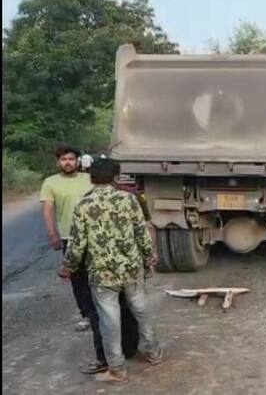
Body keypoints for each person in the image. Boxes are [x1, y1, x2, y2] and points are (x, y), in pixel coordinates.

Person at [59, 159, 163, 383]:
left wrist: (68, 268)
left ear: (91, 176)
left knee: (109, 320)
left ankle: (117, 369)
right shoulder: (129, 200)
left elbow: (77, 243)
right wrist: (150, 258)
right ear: (116, 176)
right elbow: (141, 233)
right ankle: (153, 352)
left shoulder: (83, 205)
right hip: (131, 269)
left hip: (102, 273)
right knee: (141, 310)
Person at [40, 145, 93, 331]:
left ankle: (104, 312)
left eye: (71, 159)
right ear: (58, 162)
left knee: (98, 275)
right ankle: (86, 314)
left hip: (95, 235)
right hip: (68, 236)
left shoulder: (90, 179)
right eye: (63, 159)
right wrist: (52, 234)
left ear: (77, 161)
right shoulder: (50, 182)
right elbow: (47, 210)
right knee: (77, 278)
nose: (68, 162)